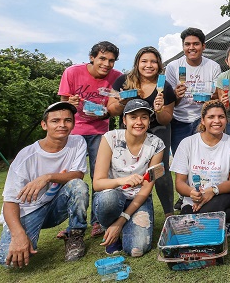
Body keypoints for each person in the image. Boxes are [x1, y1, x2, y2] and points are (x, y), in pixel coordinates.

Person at [0, 102, 89, 267]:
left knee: (78, 186)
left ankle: (75, 235)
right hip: (28, 211)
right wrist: (18, 235)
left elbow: (78, 175)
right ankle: (22, 236)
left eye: (67, 120)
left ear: (73, 124)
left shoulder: (77, 142)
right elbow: (10, 202)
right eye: (55, 121)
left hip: (54, 207)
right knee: (8, 262)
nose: (62, 125)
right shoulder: (26, 157)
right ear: (44, 125)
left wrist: (47, 177)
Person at [58, 41, 123, 237]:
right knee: (71, 177)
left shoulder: (117, 77)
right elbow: (63, 103)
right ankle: (74, 223)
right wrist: (71, 102)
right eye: (102, 58)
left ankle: (97, 221)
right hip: (74, 132)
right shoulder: (72, 72)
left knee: (99, 177)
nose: (106, 64)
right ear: (92, 57)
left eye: (111, 60)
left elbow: (115, 108)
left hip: (99, 132)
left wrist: (106, 112)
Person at [108, 47, 176, 217]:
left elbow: (166, 119)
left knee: (160, 171)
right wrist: (123, 102)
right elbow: (111, 109)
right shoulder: (122, 81)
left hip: (158, 130)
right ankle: (128, 209)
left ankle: (169, 214)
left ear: (159, 64)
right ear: (137, 63)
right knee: (129, 169)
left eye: (153, 61)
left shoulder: (165, 87)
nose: (149, 65)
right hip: (132, 131)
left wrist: (159, 110)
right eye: (144, 61)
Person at [92, 99, 165, 257]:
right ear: (124, 120)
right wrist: (121, 181)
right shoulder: (110, 138)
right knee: (109, 199)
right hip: (112, 195)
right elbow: (97, 183)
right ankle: (110, 230)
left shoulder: (157, 145)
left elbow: (146, 188)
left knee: (136, 250)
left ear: (149, 121)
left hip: (138, 199)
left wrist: (122, 220)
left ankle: (121, 225)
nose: (139, 122)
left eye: (144, 117)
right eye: (133, 117)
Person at [165, 28, 221, 211]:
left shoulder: (213, 66)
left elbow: (216, 97)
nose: (191, 47)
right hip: (179, 119)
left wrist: (210, 96)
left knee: (202, 159)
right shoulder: (174, 67)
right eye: (187, 44)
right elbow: (170, 99)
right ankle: (184, 195)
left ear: (203, 46)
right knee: (183, 160)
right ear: (183, 47)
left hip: (201, 118)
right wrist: (177, 95)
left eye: (196, 44)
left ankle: (207, 191)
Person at [170, 100, 230, 236]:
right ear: (202, 120)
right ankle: (228, 217)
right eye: (211, 117)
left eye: (221, 116)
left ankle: (212, 224)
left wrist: (212, 190)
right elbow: (179, 183)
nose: (217, 121)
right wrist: (193, 193)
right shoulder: (187, 143)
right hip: (194, 200)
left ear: (226, 120)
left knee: (195, 220)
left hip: (223, 194)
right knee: (187, 219)